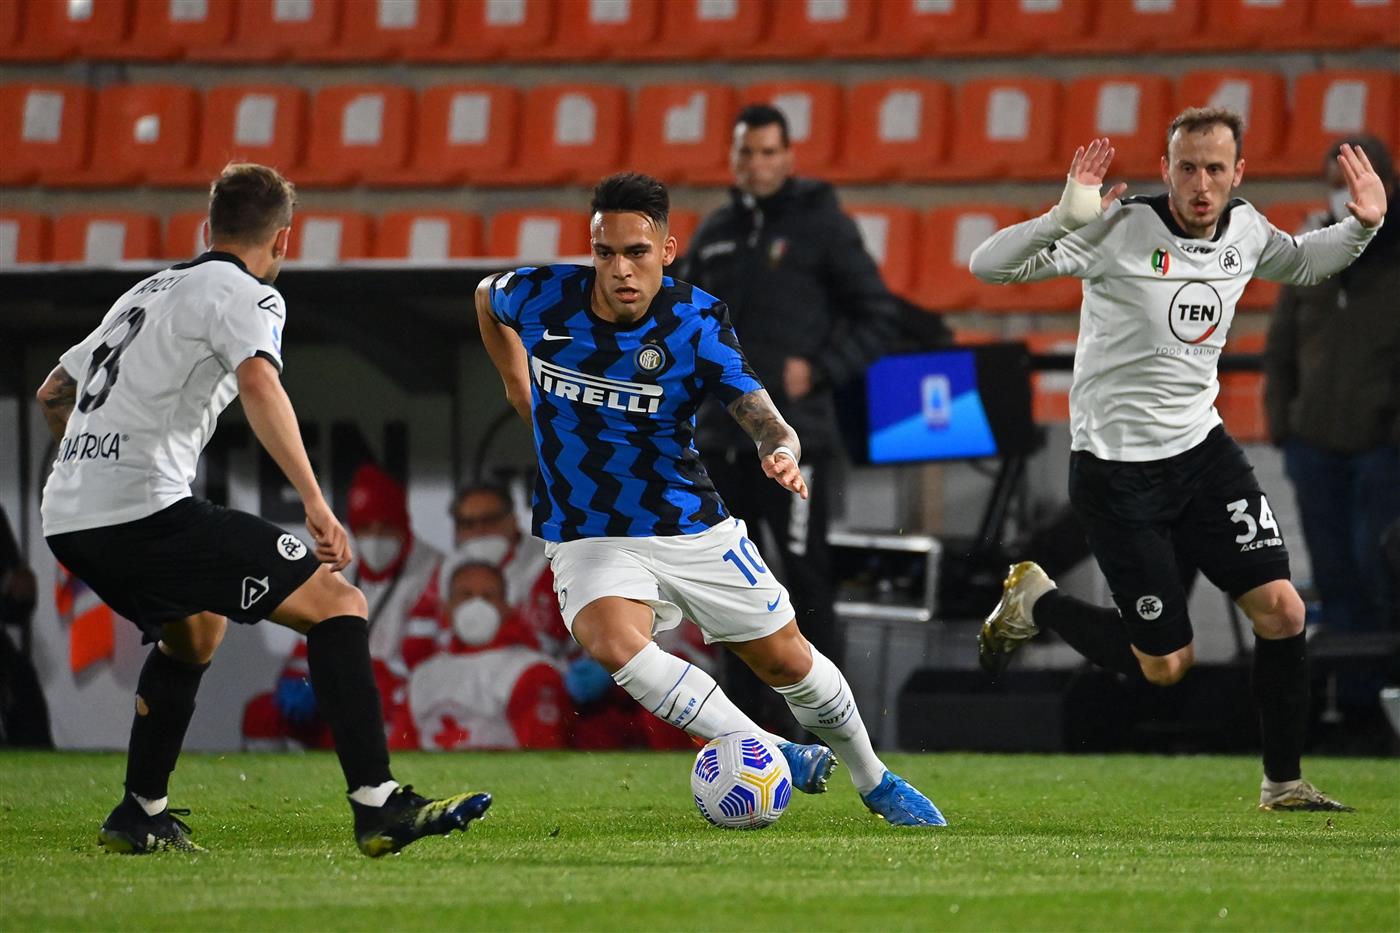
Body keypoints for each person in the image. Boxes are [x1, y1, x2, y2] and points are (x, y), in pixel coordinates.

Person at [36, 162, 489, 856]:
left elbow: (52, 391)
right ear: (283, 240)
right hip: (141, 510)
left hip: (69, 517)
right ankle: (379, 803)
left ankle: (139, 810)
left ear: (205, 227)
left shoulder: (149, 290)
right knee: (337, 602)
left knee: (197, 632)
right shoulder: (248, 294)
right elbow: (257, 380)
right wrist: (313, 499)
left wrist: (89, 467)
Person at [476, 171, 944, 826]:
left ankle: (874, 778)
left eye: (636, 252)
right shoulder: (540, 296)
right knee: (615, 641)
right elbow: (485, 298)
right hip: (589, 529)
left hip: (688, 521)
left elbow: (756, 407)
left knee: (787, 658)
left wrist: (778, 446)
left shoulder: (695, 319)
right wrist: (514, 383)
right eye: (605, 252)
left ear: (666, 252)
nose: (619, 270)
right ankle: (777, 747)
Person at [968, 109, 1387, 812]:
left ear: (1237, 174)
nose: (1201, 184)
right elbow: (986, 265)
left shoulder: (1247, 231)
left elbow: (1309, 261)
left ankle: (1282, 782)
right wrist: (1061, 216)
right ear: (1166, 171)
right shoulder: (1117, 229)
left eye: (1215, 169)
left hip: (1203, 455)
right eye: (1187, 167)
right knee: (1165, 665)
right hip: (1116, 471)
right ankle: (1037, 599)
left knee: (1283, 610)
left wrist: (1363, 226)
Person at [678, 104, 902, 727]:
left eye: (769, 152)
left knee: (805, 577)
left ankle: (830, 724)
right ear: (732, 158)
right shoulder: (716, 230)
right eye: (746, 153)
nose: (757, 165)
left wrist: (821, 368)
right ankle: (746, 729)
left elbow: (878, 315)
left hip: (794, 441)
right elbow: (684, 323)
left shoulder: (822, 226)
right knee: (726, 585)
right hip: (722, 439)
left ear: (789, 155)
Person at [1265, 135, 1400, 634]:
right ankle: (1349, 702)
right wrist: (1285, 425)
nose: (1337, 195)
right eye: (1331, 185)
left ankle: (1381, 698)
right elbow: (1279, 349)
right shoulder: (1309, 254)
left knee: (1378, 569)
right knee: (1332, 575)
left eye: (1349, 182)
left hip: (1382, 450)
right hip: (1314, 446)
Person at [242, 462, 441, 750]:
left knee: (370, 707)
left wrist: (343, 680)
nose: (375, 537)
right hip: (341, 685)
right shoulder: (340, 563)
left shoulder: (430, 569)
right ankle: (264, 789)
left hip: (395, 692)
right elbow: (305, 641)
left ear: (404, 525)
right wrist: (299, 681)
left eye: (386, 527)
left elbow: (418, 661)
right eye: (365, 528)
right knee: (263, 713)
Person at [406, 544, 569, 750]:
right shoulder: (422, 676)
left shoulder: (532, 672)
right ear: (445, 609)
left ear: (507, 607)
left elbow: (544, 759)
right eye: (465, 595)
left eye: (488, 596)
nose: (476, 605)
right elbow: (402, 753)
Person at [450, 483, 569, 659]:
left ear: (513, 520)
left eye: (489, 520)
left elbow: (553, 643)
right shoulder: (448, 571)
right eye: (468, 523)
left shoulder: (549, 566)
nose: (479, 530)